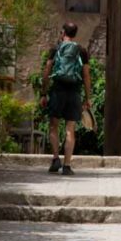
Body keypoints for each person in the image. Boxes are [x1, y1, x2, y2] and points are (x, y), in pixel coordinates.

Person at [40, 22, 92, 175]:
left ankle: (56, 159)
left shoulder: (56, 49)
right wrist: (88, 97)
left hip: (57, 90)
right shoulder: (81, 51)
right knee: (70, 129)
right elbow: (86, 75)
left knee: (53, 126)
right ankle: (67, 165)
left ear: (63, 33)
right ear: (75, 34)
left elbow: (47, 70)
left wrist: (43, 93)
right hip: (74, 92)